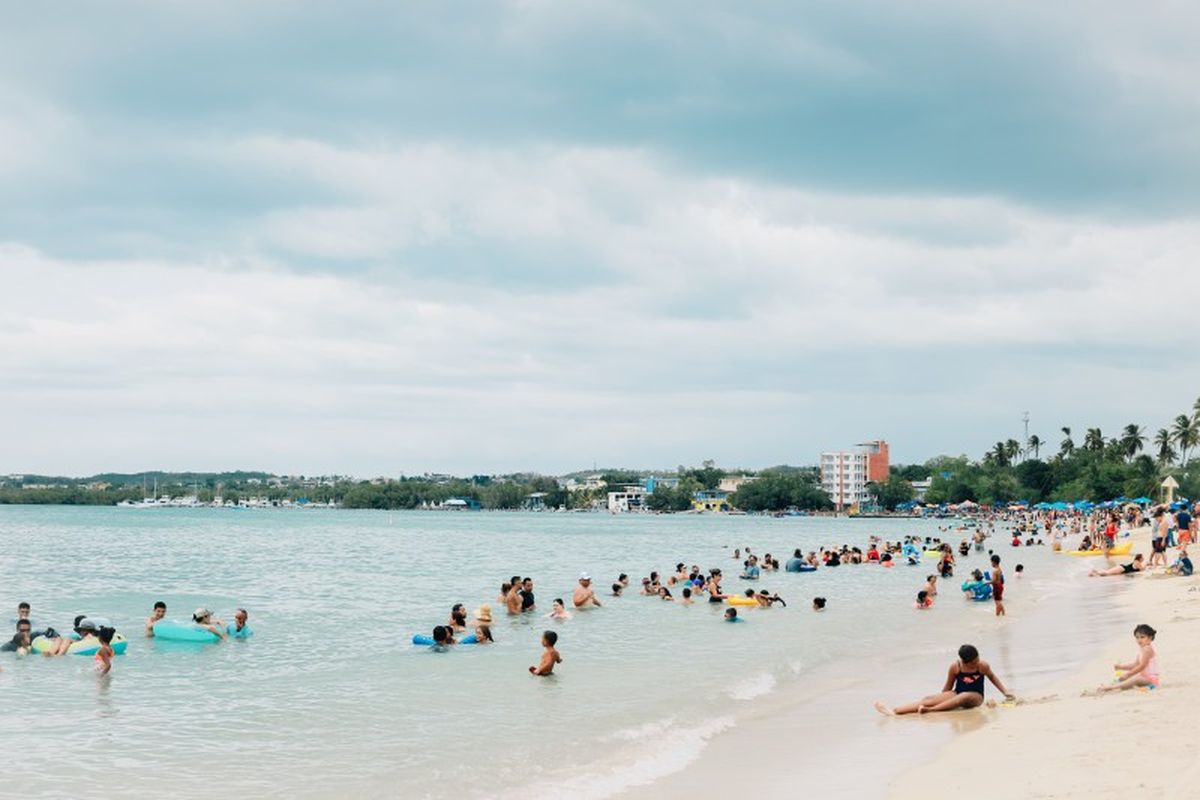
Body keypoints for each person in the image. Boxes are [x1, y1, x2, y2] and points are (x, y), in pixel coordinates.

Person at [875, 644, 1014, 715]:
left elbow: (993, 678)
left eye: (977, 659)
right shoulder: (956, 667)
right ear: (965, 662)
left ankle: (931, 710)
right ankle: (894, 711)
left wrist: (1005, 693)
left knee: (963, 696)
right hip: (957, 692)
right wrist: (940, 698)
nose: (977, 662)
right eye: (973, 662)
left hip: (976, 697)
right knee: (928, 698)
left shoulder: (982, 666)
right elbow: (947, 688)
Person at [1097, 624, 1159, 692]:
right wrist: (1121, 667)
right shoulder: (1142, 649)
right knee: (1126, 678)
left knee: (1135, 679)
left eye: (1142, 637)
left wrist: (1128, 674)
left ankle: (1111, 688)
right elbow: (1135, 665)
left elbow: (1142, 666)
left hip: (1151, 680)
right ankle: (1113, 685)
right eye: (1137, 637)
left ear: (1150, 638)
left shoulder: (1147, 649)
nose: (1139, 640)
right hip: (1144, 678)